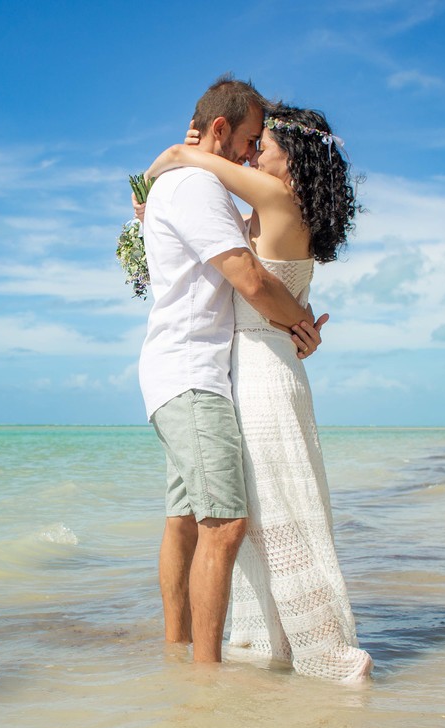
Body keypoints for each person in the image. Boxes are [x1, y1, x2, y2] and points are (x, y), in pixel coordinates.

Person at [145, 102, 373, 681]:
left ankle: (316, 645)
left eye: (262, 146)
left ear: (290, 159)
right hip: (252, 367)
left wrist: (185, 151)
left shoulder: (276, 199)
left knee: (275, 510)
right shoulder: (264, 209)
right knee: (268, 509)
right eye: (250, 144)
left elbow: (184, 162)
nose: (251, 156)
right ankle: (276, 640)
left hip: (263, 373)